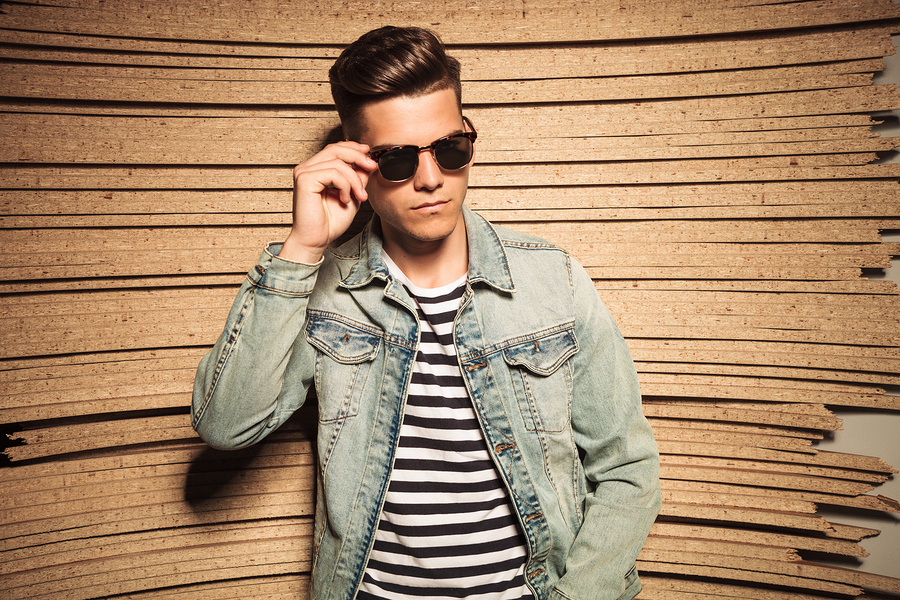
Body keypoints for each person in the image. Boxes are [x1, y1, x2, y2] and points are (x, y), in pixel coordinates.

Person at [192, 25, 661, 600]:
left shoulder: (552, 281)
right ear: (355, 162)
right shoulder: (327, 293)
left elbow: (626, 469)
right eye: (396, 160)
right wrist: (301, 250)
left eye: (451, 148)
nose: (432, 178)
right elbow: (226, 425)